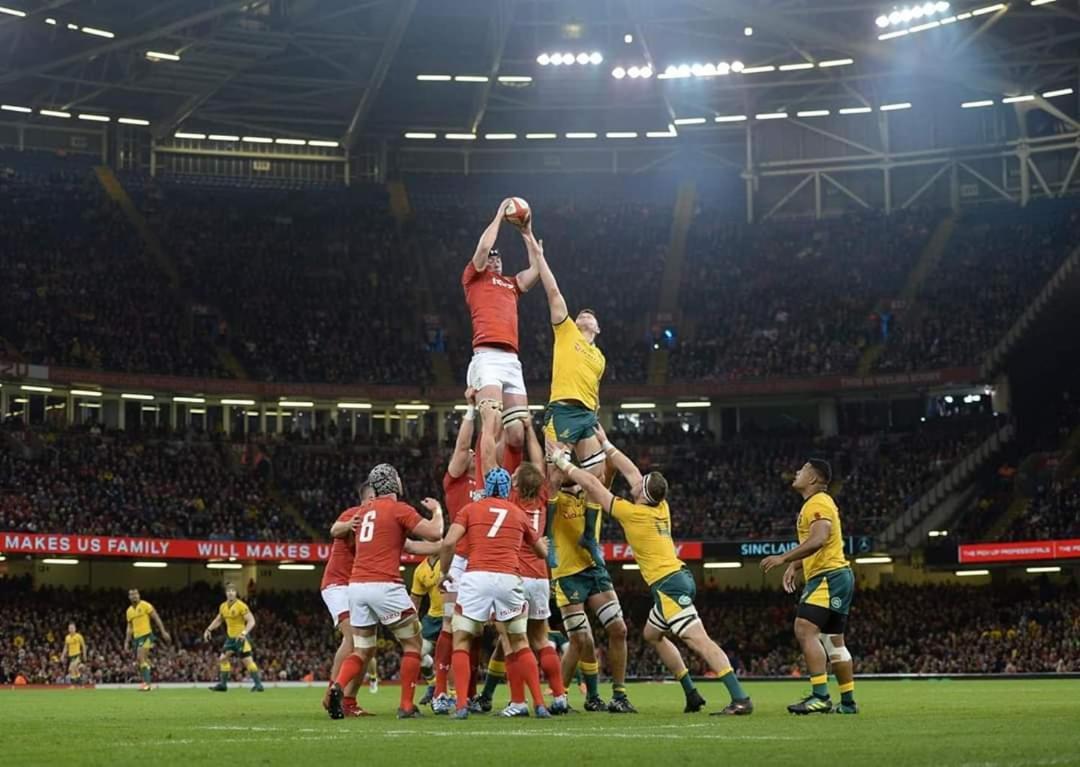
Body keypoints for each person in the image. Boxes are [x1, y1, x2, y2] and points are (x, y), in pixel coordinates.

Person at [553, 432, 753, 716]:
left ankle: (740, 697)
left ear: (643, 494)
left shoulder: (633, 514)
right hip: (676, 577)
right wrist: (606, 443)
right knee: (652, 634)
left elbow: (593, 486)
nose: (636, 481)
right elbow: (631, 471)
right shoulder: (660, 507)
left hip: (668, 585)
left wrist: (563, 462)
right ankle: (691, 692)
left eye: (640, 484)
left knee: (699, 640)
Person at [326, 463, 444, 720]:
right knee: (413, 644)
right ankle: (406, 706)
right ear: (394, 483)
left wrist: (443, 547)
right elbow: (435, 533)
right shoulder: (399, 509)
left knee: (362, 649)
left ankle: (337, 687)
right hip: (385, 585)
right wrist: (437, 511)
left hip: (357, 587)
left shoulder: (364, 510)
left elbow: (409, 544)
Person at [440, 464, 550, 719]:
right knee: (520, 641)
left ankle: (461, 706)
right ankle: (540, 704)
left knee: (462, 638)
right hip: (509, 579)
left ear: (486, 488)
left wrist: (445, 573)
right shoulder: (518, 512)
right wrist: (540, 545)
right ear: (507, 489)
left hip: (476, 577)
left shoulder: (470, 509)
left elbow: (448, 542)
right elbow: (541, 552)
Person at [761, 459, 858, 715]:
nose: (796, 472)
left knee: (804, 629)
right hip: (837, 575)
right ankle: (847, 703)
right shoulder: (818, 503)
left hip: (828, 576)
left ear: (813, 479)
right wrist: (796, 567)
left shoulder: (817, 503)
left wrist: (784, 558)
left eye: (802, 470)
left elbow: (819, 539)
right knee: (834, 641)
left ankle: (820, 696)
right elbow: (819, 544)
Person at [545, 460, 633, 712]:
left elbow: (608, 467)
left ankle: (619, 695)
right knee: (580, 639)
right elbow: (552, 478)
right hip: (567, 573)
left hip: (594, 570)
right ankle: (559, 698)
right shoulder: (554, 494)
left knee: (619, 629)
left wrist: (597, 441)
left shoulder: (591, 491)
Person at [523, 231, 607, 480]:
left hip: (586, 415)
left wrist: (596, 418)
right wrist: (540, 258)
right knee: (555, 477)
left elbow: (595, 391)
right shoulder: (567, 330)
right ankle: (545, 520)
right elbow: (553, 292)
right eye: (583, 313)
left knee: (597, 477)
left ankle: (592, 520)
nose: (585, 314)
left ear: (597, 328)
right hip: (562, 410)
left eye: (590, 315)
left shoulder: (600, 358)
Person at [462, 200, 541, 457]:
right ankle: (488, 487)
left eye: (499, 258)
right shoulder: (473, 278)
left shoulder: (512, 284)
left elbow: (537, 269)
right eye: (491, 258)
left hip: (511, 359)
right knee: (491, 423)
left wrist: (527, 233)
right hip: (487, 356)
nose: (495, 261)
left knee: (517, 434)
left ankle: (506, 481)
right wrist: (499, 215)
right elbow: (484, 246)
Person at [433, 389, 483, 713]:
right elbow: (462, 446)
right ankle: (440, 693)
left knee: (475, 630)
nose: (472, 456)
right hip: (460, 562)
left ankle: (469, 693)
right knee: (451, 626)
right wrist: (470, 410)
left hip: (483, 562)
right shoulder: (454, 481)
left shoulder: (489, 481)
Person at [321, 481, 376, 716]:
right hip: (337, 585)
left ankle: (350, 701)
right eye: (374, 497)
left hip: (357, 586)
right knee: (353, 639)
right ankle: (332, 692)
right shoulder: (354, 513)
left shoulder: (379, 521)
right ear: (365, 499)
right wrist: (348, 524)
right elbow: (334, 530)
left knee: (368, 646)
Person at [203, 583, 265, 693]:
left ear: (236, 593)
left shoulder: (241, 606)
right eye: (228, 591)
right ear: (226, 593)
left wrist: (244, 633)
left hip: (241, 638)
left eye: (233, 591)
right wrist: (208, 629)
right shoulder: (223, 606)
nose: (231, 593)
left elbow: (252, 621)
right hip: (230, 638)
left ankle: (258, 685)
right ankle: (223, 685)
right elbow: (219, 619)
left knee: (247, 661)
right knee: (223, 659)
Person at [409, 552, 445, 705]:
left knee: (450, 655)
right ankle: (432, 684)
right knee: (418, 652)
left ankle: (452, 694)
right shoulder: (420, 570)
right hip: (433, 617)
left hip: (453, 614)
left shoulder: (450, 560)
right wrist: (410, 621)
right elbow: (415, 600)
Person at [125, 589, 171, 692]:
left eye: (136, 594)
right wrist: (127, 641)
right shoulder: (129, 611)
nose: (134, 596)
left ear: (139, 595)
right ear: (129, 597)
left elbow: (156, 618)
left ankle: (147, 684)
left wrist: (163, 631)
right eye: (132, 594)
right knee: (141, 660)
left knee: (141, 658)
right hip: (136, 638)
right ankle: (147, 680)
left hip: (146, 635)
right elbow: (129, 628)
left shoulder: (146, 605)